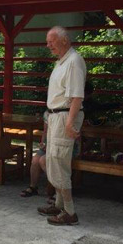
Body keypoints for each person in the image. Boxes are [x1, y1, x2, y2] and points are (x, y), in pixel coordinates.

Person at [37, 26, 86, 226]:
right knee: (52, 161)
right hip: (56, 116)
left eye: (51, 41)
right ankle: (58, 204)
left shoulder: (74, 62)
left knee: (60, 164)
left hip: (64, 116)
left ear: (64, 40)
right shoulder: (62, 62)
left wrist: (68, 123)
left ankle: (69, 211)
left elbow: (76, 97)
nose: (48, 45)